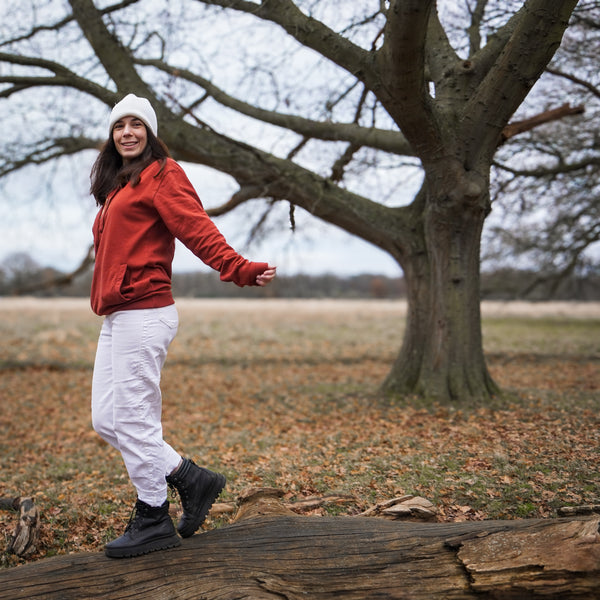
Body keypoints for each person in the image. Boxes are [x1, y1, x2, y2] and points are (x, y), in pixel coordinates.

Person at [89, 93, 276, 558]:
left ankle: (152, 516)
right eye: (119, 126)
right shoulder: (119, 185)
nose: (127, 132)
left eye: (137, 125)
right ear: (112, 137)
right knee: (107, 419)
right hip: (119, 312)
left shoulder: (162, 174)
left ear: (150, 133)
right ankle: (191, 478)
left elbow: (197, 228)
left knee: (134, 418)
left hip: (145, 311)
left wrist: (238, 267)